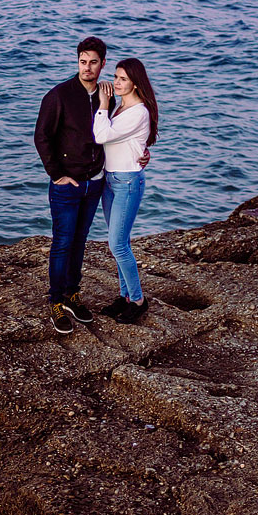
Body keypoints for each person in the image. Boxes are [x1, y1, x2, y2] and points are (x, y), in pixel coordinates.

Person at [33, 37, 108, 335]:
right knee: (63, 242)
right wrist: (56, 174)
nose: (87, 67)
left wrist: (141, 151)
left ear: (102, 64)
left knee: (80, 241)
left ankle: (72, 295)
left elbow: (118, 130)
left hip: (95, 183)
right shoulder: (59, 95)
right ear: (77, 62)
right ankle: (55, 301)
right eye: (82, 61)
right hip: (67, 185)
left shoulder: (108, 94)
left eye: (92, 62)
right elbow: (42, 136)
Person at [93, 58, 159, 324]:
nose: (116, 82)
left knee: (117, 244)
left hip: (127, 182)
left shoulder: (137, 112)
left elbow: (101, 136)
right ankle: (124, 297)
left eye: (122, 79)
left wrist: (102, 104)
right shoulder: (123, 107)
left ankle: (138, 300)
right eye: (116, 77)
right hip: (111, 179)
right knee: (119, 243)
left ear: (135, 82)